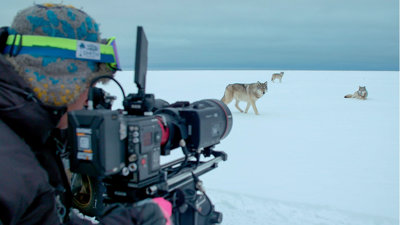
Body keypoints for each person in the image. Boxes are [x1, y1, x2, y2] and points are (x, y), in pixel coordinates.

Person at [0, 3, 172, 225]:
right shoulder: (10, 167)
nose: (87, 100)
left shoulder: (26, 136)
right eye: (88, 84)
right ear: (60, 80)